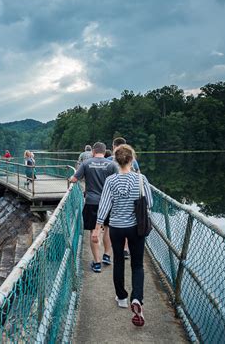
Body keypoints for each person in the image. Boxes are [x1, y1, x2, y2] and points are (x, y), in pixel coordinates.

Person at [95, 144, 153, 326]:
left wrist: (97, 229)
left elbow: (104, 206)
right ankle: (137, 298)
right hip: (136, 227)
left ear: (116, 160)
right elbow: (149, 203)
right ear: (131, 159)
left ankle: (121, 298)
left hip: (117, 228)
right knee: (137, 265)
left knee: (118, 261)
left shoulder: (111, 181)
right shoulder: (141, 179)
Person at [69, 142, 118, 273]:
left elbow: (74, 179)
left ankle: (97, 263)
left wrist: (70, 179)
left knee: (93, 231)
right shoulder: (112, 164)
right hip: (109, 202)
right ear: (104, 151)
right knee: (107, 229)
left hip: (91, 202)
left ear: (93, 151)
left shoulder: (86, 163)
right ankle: (107, 256)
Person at [107, 137, 140, 258]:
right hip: (131, 197)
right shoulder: (133, 161)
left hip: (113, 197)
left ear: (114, 146)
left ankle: (111, 250)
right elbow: (138, 176)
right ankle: (126, 248)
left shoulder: (109, 160)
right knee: (129, 220)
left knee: (112, 223)